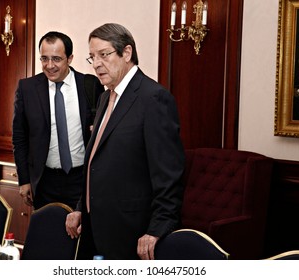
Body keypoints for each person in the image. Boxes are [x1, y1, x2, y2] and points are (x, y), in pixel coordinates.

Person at [65, 23, 185, 260]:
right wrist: (81, 207)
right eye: (92, 57)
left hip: (131, 233)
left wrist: (157, 229)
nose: (96, 63)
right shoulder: (104, 98)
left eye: (103, 55)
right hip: (94, 227)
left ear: (127, 53)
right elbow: (96, 163)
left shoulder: (154, 98)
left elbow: (169, 175)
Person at [12, 31, 104, 210]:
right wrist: (24, 181)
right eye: (44, 59)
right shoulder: (27, 88)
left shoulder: (90, 85)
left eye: (56, 59)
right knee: (48, 233)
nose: (49, 65)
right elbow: (19, 138)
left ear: (70, 58)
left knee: (83, 234)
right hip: (45, 181)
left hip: (83, 179)